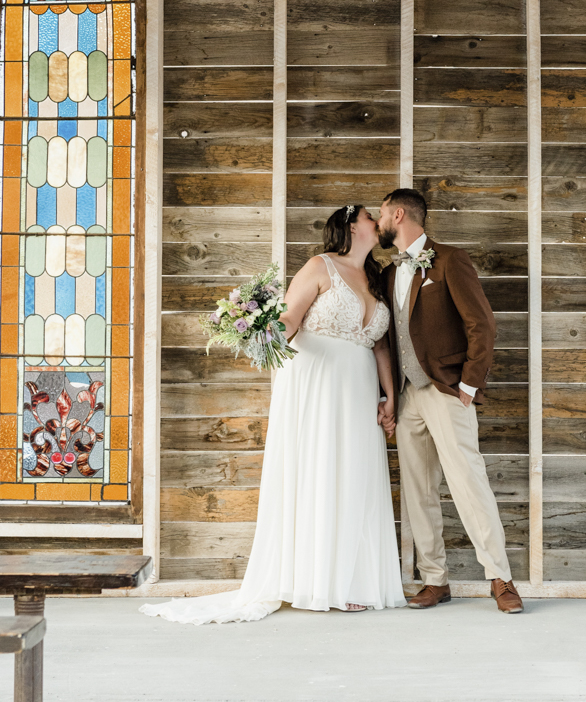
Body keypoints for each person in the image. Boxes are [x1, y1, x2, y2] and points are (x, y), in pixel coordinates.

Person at [141, 205, 405, 623]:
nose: (379, 221)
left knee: (354, 474)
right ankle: (317, 580)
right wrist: (254, 327)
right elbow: (289, 319)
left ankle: (352, 579)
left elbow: (380, 346)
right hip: (316, 382)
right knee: (318, 470)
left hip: (358, 389)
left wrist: (390, 397)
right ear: (353, 226)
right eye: (372, 216)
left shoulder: (375, 279)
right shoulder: (320, 267)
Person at [376, 188, 523, 614]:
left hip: (446, 391)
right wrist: (387, 396)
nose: (380, 220)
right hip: (407, 397)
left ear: (398, 214)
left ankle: (500, 577)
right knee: (418, 490)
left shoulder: (449, 260)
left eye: (383, 213)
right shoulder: (389, 273)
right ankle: (435, 580)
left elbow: (482, 325)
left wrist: (469, 385)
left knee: (468, 483)